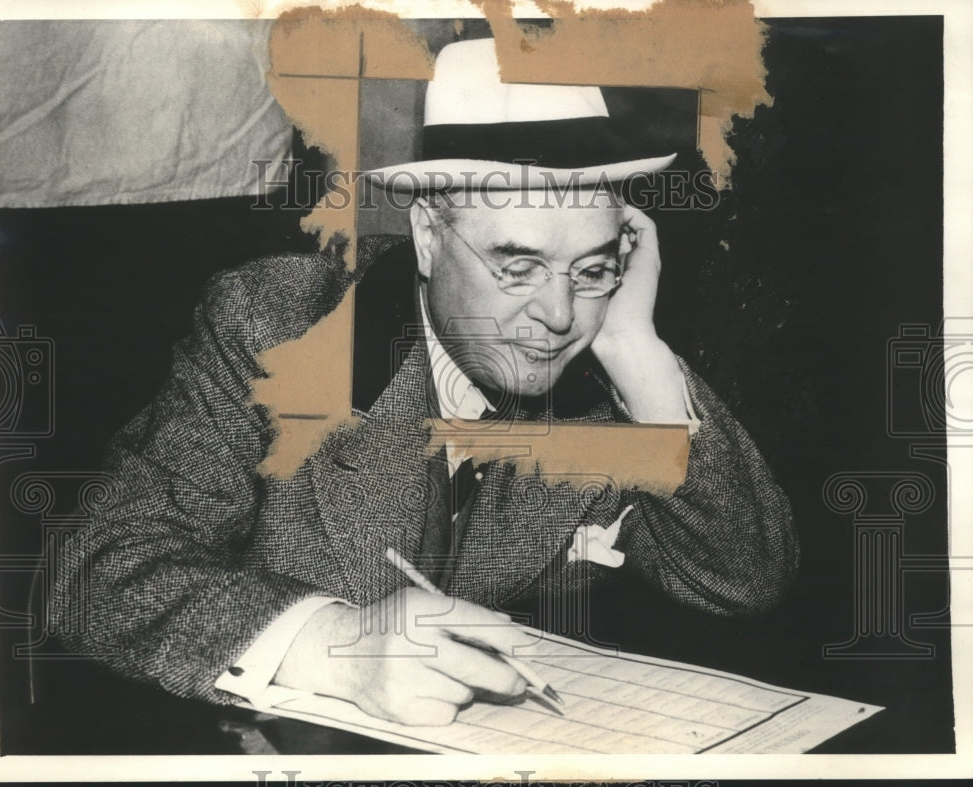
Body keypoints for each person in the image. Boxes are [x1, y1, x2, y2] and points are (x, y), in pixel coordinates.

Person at [52, 38, 798, 728]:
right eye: (518, 266)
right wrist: (333, 641)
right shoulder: (276, 330)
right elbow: (94, 570)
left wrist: (642, 358)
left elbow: (746, 580)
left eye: (593, 270)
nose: (561, 314)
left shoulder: (604, 380)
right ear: (429, 238)